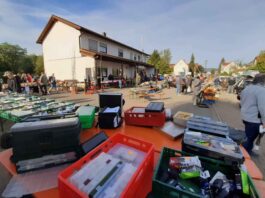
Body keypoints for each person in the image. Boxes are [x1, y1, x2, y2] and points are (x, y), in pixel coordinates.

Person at [240, 73, 265, 154]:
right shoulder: (262, 90)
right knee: (249, 139)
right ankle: (243, 155)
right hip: (255, 120)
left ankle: (248, 151)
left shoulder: (247, 88)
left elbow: (242, 101)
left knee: (248, 137)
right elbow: (263, 107)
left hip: (246, 117)